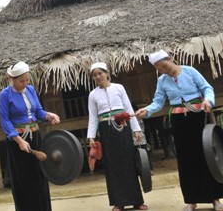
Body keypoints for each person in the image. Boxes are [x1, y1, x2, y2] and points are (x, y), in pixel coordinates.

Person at [135, 49, 223, 211]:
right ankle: (191, 199)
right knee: (185, 159)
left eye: (164, 66)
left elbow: (207, 88)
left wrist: (208, 100)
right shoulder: (162, 81)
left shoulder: (190, 71)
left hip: (198, 116)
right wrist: (147, 110)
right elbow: (158, 102)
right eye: (159, 69)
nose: (163, 71)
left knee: (206, 156)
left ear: (170, 59)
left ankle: (215, 198)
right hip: (178, 120)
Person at [0, 61, 60, 211]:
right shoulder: (5, 95)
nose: (25, 83)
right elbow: (4, 120)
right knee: (23, 180)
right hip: (17, 142)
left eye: (27, 80)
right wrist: (18, 140)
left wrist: (49, 115)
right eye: (21, 81)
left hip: (35, 137)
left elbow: (38, 111)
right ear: (11, 78)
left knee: (39, 177)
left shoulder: (30, 90)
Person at [87, 62, 148, 211]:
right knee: (112, 166)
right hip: (106, 131)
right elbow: (93, 117)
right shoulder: (93, 94)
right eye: (95, 75)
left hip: (123, 128)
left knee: (129, 162)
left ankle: (137, 200)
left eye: (100, 73)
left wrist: (136, 130)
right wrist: (91, 136)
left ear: (107, 73)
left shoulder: (119, 88)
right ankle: (118, 202)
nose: (98, 77)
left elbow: (128, 108)